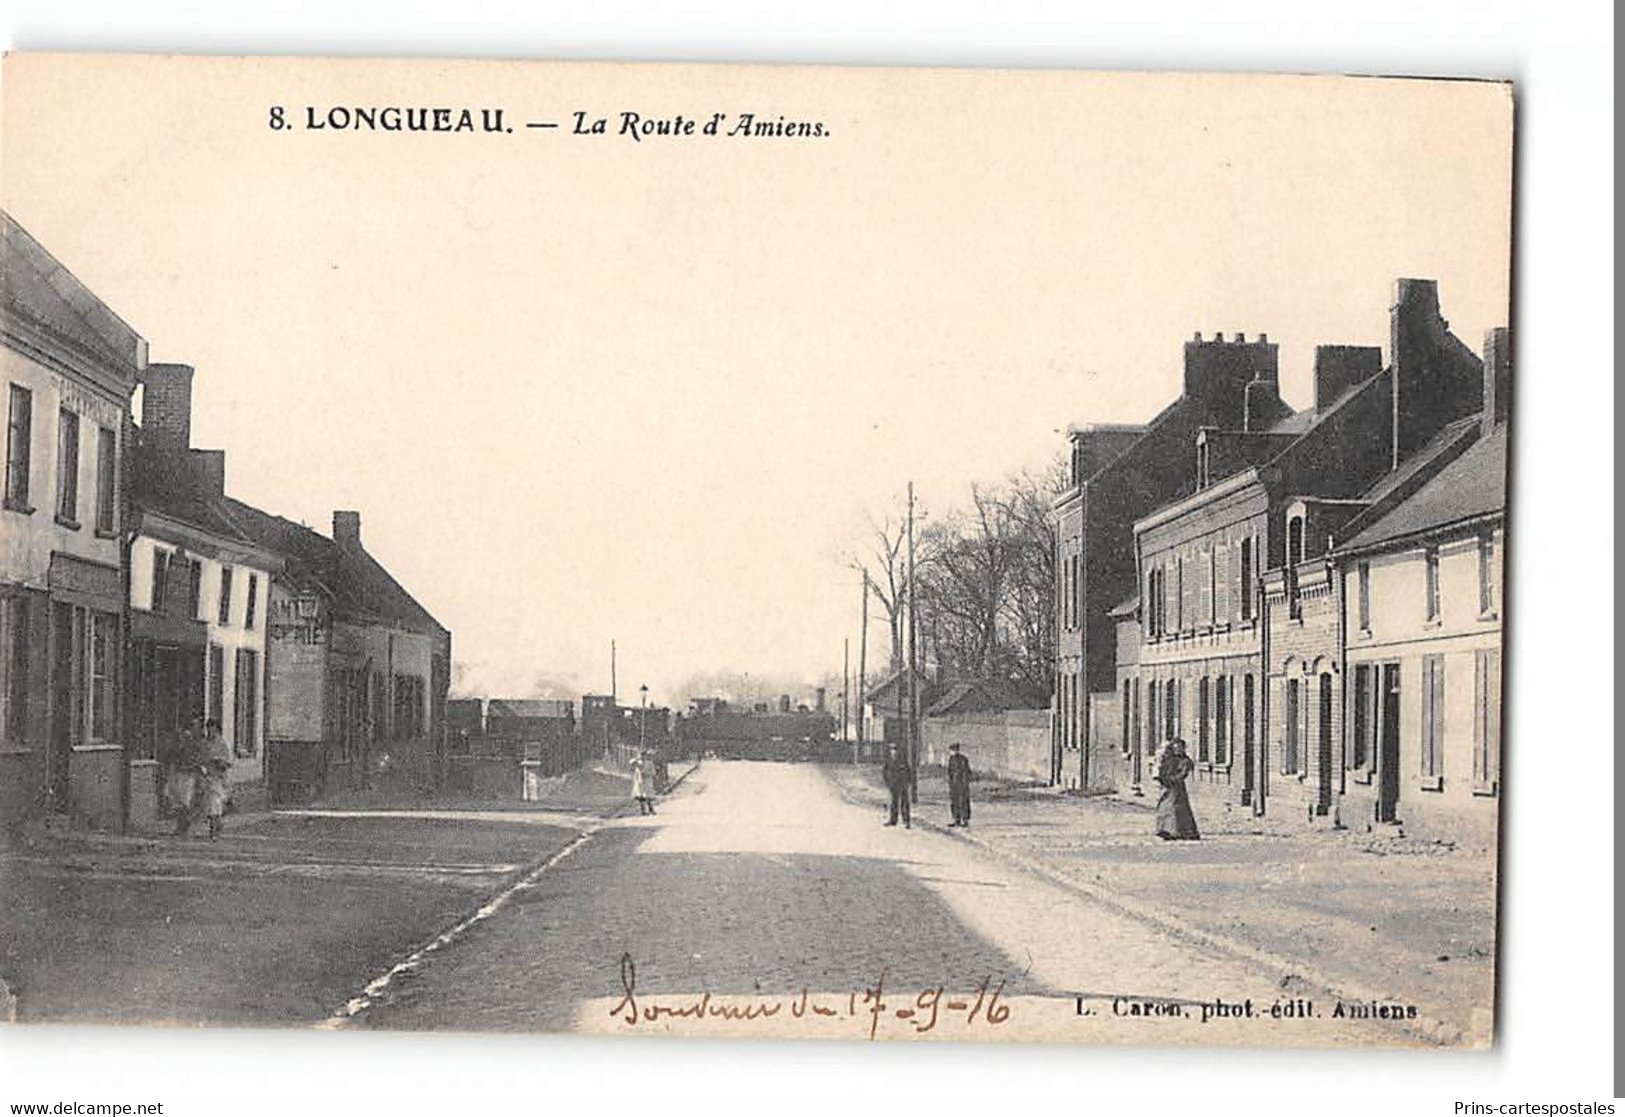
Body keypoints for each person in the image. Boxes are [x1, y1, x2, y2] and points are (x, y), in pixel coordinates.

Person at [162, 718, 204, 836]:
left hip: (189, 774)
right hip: (179, 773)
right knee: (177, 800)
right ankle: (182, 824)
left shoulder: (197, 744)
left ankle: (183, 825)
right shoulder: (180, 743)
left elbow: (199, 759)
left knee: (185, 801)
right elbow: (170, 755)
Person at [1154, 738, 1201, 841]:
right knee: (1164, 807)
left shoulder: (1185, 761)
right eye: (1175, 748)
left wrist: (1172, 779)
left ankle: (1179, 831)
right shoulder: (1171, 759)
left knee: (1176, 808)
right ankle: (1164, 829)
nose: (1177, 750)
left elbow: (1182, 774)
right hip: (1167, 787)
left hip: (1177, 787)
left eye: (1179, 748)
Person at [199, 719, 233, 840]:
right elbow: (200, 759)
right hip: (206, 777)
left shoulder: (222, 744)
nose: (210, 732)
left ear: (217, 730)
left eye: (212, 730)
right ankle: (218, 824)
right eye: (208, 729)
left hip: (218, 778)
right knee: (208, 805)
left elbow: (228, 762)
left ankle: (213, 831)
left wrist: (220, 762)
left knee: (215, 804)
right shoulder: (204, 744)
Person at [881, 743, 911, 829]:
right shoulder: (888, 760)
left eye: (894, 749)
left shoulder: (902, 760)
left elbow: (908, 770)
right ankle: (893, 820)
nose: (893, 751)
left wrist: (908, 782)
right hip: (893, 784)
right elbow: (885, 771)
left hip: (902, 784)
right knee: (894, 803)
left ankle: (906, 821)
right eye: (891, 749)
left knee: (904, 803)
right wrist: (887, 781)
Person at [946, 742, 972, 827]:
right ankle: (956, 820)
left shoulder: (963, 759)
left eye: (953, 750)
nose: (952, 752)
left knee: (963, 802)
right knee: (954, 802)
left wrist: (965, 783)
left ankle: (965, 820)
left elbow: (966, 772)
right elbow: (949, 772)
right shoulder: (951, 759)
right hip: (954, 784)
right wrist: (950, 783)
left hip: (961, 784)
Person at [630, 751, 655, 815]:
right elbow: (631, 763)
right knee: (640, 797)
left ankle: (651, 809)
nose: (642, 758)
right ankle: (643, 810)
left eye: (644, 756)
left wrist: (646, 773)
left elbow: (653, 773)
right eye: (641, 756)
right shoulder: (638, 763)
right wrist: (635, 760)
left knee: (647, 796)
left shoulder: (650, 763)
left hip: (647, 782)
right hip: (639, 782)